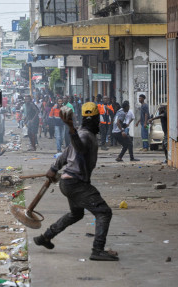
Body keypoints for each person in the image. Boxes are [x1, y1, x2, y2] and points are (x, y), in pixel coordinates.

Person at [33, 102, 119, 261]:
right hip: (76, 183)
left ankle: (45, 237)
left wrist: (53, 168)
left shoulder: (82, 133)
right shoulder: (83, 135)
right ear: (96, 119)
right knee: (104, 212)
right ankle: (97, 249)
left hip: (68, 183)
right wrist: (71, 128)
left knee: (76, 213)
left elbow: (65, 154)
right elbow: (79, 147)